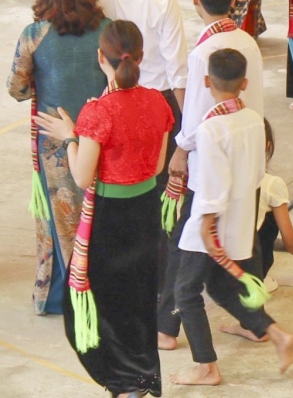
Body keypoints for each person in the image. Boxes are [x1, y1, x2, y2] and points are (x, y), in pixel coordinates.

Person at [34, 20, 174, 398]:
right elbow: (159, 166)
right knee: (140, 297)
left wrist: (69, 139)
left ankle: (123, 381)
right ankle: (142, 378)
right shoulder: (159, 102)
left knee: (103, 302)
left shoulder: (98, 112)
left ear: (101, 58)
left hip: (110, 217)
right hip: (145, 210)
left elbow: (82, 177)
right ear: (141, 57)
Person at [170, 49, 293, 386]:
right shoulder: (254, 120)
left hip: (210, 226)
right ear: (245, 83)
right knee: (223, 290)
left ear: (207, 81)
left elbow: (211, 187)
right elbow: (256, 174)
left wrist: (207, 231)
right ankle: (277, 334)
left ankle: (206, 366)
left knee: (185, 292)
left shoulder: (212, 128)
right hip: (240, 222)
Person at [158, 0, 264, 353]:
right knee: (244, 241)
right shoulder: (247, 42)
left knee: (184, 245)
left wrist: (181, 150)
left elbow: (198, 113)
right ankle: (254, 321)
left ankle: (166, 327)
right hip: (247, 153)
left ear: (195, 0)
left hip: (211, 164)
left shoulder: (203, 52)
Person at [7, 0, 110, 315]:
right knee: (98, 216)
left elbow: (16, 90)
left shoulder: (34, 36)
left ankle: (60, 296)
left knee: (57, 220)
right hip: (101, 141)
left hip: (52, 145)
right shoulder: (108, 30)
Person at [97, 0, 188, 172]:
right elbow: (177, 69)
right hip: (159, 105)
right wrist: (187, 125)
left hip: (112, 102)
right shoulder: (162, 0)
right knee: (157, 180)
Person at [220, 118, 293, 343]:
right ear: (267, 146)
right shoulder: (271, 182)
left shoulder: (219, 177)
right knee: (269, 221)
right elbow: (289, 238)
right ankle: (252, 326)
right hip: (251, 266)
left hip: (220, 262)